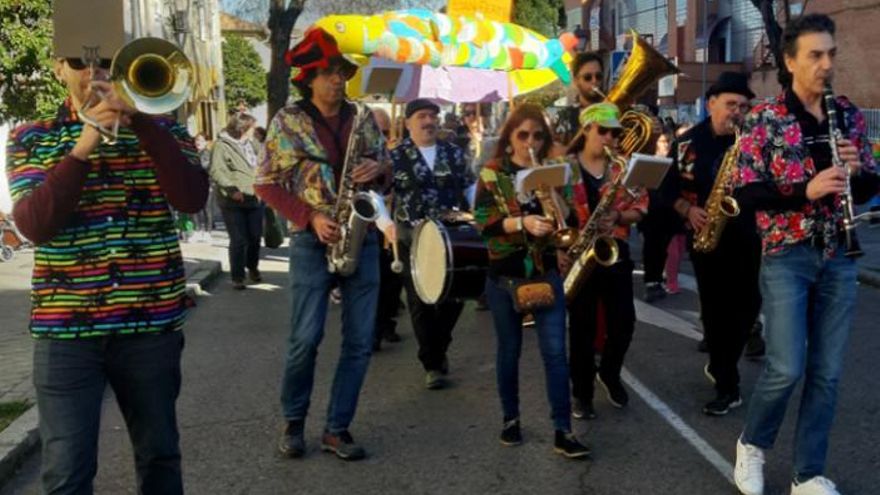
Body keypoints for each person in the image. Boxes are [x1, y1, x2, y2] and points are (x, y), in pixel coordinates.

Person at [5, 13, 208, 492]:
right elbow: (34, 225)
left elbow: (190, 199)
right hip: (66, 333)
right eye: (80, 60)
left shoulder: (166, 131)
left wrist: (142, 124)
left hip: (150, 326)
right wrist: (84, 145)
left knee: (159, 457)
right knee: (67, 472)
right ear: (59, 68)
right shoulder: (31, 136)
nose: (94, 72)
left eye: (108, 62)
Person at [732, 14, 878, 495]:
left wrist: (858, 172)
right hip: (787, 256)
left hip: (839, 253)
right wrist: (804, 191)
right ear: (790, 61)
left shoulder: (849, 115)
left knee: (828, 373)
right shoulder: (764, 119)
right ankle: (752, 444)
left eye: (831, 53)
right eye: (815, 55)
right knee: (786, 366)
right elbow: (746, 193)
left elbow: (872, 184)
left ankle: (808, 473)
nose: (826, 63)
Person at [254, 27, 390, 461]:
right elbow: (266, 184)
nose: (339, 80)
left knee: (360, 340)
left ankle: (337, 427)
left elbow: (386, 167)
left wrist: (377, 170)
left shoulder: (363, 117)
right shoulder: (287, 121)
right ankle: (294, 422)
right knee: (305, 338)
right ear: (308, 78)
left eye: (342, 72)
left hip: (361, 237)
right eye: (330, 73)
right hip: (312, 242)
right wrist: (309, 217)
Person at [473, 103, 589, 459]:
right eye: (522, 135)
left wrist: (551, 195)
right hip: (505, 276)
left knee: (555, 353)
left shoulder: (552, 169)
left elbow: (569, 217)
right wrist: (522, 223)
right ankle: (511, 419)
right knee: (510, 351)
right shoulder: (493, 173)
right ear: (509, 138)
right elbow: (482, 222)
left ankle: (563, 430)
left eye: (538, 135)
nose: (530, 142)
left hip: (545, 273)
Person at [664, 72, 763, 416]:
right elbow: (665, 190)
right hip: (707, 240)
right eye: (731, 104)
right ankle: (727, 383)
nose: (737, 111)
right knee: (718, 316)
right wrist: (687, 209)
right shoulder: (686, 143)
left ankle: (723, 365)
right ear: (711, 105)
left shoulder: (753, 142)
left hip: (747, 237)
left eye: (743, 106)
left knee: (749, 307)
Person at [565, 103, 648, 419]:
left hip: (615, 251)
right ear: (586, 129)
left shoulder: (623, 167)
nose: (611, 138)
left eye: (615, 132)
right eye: (604, 131)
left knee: (624, 322)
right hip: (581, 256)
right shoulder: (565, 167)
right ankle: (581, 394)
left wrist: (617, 215)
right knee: (582, 331)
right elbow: (553, 211)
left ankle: (610, 372)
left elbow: (641, 207)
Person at [391, 98, 476, 389]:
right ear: (408, 123)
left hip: (451, 237)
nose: (428, 121)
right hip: (411, 238)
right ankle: (432, 364)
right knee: (420, 302)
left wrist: (477, 213)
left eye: (432, 116)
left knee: (455, 296)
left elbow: (470, 184)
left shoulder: (453, 153)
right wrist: (384, 225)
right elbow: (378, 193)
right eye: (422, 116)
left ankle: (438, 348)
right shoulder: (394, 156)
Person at [210, 112, 263, 290]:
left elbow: (264, 162)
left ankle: (253, 267)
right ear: (242, 128)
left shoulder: (252, 143)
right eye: (251, 128)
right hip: (233, 200)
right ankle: (237, 277)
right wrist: (232, 189)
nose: (253, 132)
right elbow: (217, 171)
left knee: (255, 237)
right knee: (239, 239)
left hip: (254, 197)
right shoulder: (221, 145)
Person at [371, 107, 403, 350]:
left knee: (393, 280)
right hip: (370, 228)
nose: (382, 136)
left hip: (395, 226)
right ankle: (372, 330)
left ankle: (387, 323)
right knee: (374, 281)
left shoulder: (399, 153)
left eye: (385, 131)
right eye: (377, 131)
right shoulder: (365, 151)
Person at [554, 51, 605, 146]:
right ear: (576, 81)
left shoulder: (614, 110)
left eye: (598, 76)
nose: (594, 81)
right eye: (587, 77)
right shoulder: (565, 117)